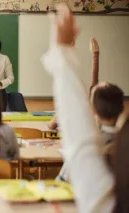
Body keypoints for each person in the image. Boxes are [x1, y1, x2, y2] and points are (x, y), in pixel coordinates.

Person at [42, 4, 129, 212]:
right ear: (121, 112)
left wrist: (62, 52)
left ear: (94, 112)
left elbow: (80, 135)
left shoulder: (102, 195)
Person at [48, 37, 100, 130]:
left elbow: (51, 126)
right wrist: (95, 54)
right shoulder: (90, 110)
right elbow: (94, 86)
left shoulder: (66, 109)